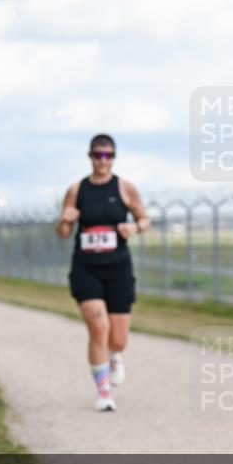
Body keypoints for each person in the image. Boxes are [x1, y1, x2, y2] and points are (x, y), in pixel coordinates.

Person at [57, 134, 149, 412]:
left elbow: (144, 219)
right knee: (99, 328)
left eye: (108, 155)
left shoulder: (125, 188)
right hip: (86, 268)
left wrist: (135, 227)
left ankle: (115, 356)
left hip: (118, 267)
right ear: (90, 156)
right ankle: (104, 392)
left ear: (114, 157)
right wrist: (65, 221)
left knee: (118, 339)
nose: (103, 160)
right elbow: (63, 233)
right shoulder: (77, 190)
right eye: (98, 155)